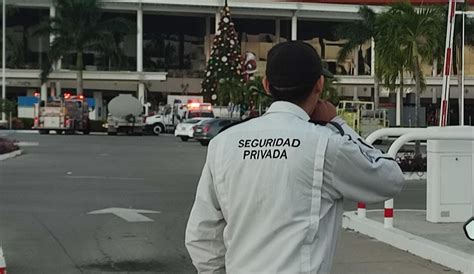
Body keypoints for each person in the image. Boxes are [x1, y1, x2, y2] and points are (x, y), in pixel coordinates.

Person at [185, 41, 405, 273]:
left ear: (267, 85)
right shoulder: (325, 143)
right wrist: (339, 124)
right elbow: (390, 179)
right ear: (319, 85)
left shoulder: (223, 143)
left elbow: (202, 234)